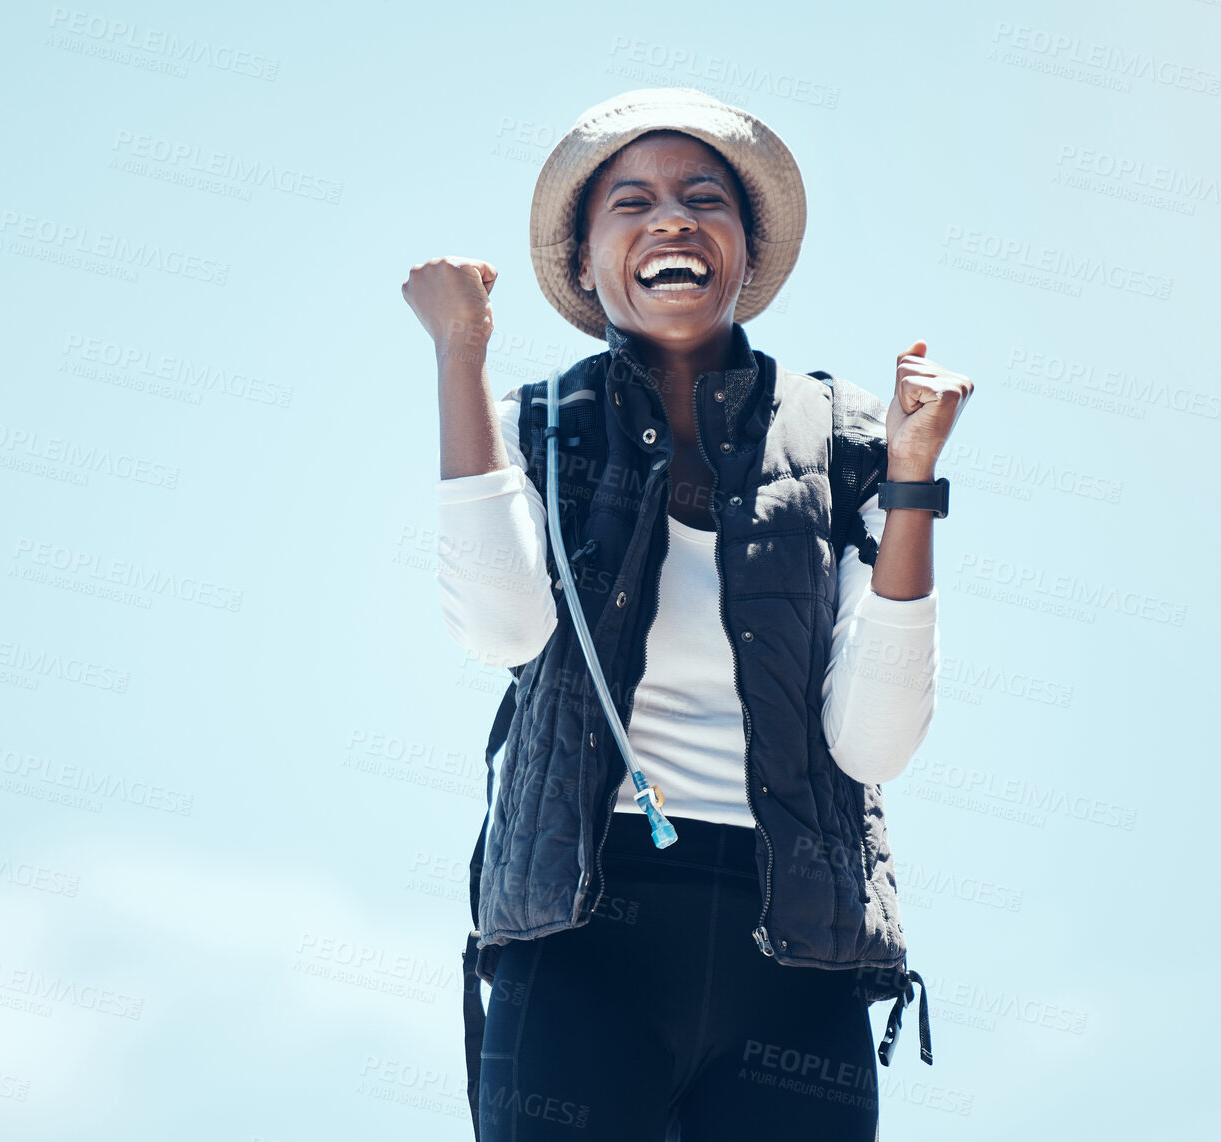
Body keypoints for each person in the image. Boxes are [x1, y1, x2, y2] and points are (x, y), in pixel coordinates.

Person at [403, 88, 974, 1141]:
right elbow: (502, 630)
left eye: (702, 197)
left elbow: (874, 737)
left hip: (797, 944)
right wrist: (460, 358)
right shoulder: (539, 425)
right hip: (580, 934)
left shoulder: (847, 434)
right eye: (632, 201)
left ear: (745, 253)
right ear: (584, 261)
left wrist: (909, 481)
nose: (670, 218)